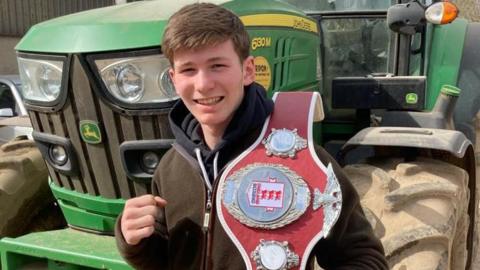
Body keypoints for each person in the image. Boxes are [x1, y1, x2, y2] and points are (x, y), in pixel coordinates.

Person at [115, 3, 388, 270]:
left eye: (217, 65)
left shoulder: (306, 162)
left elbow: (365, 259)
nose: (203, 84)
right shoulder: (171, 168)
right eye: (189, 70)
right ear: (174, 79)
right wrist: (135, 241)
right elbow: (166, 261)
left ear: (248, 71)